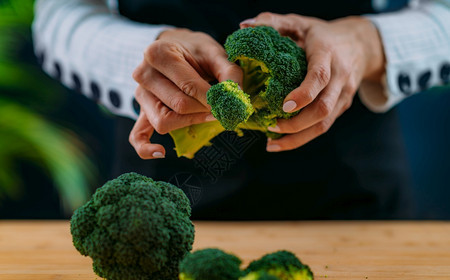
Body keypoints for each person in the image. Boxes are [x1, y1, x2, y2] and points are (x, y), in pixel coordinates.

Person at [33, 0, 450, 220]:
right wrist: (142, 55)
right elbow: (57, 15)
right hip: (166, 190)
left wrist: (365, 43)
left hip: (356, 190)